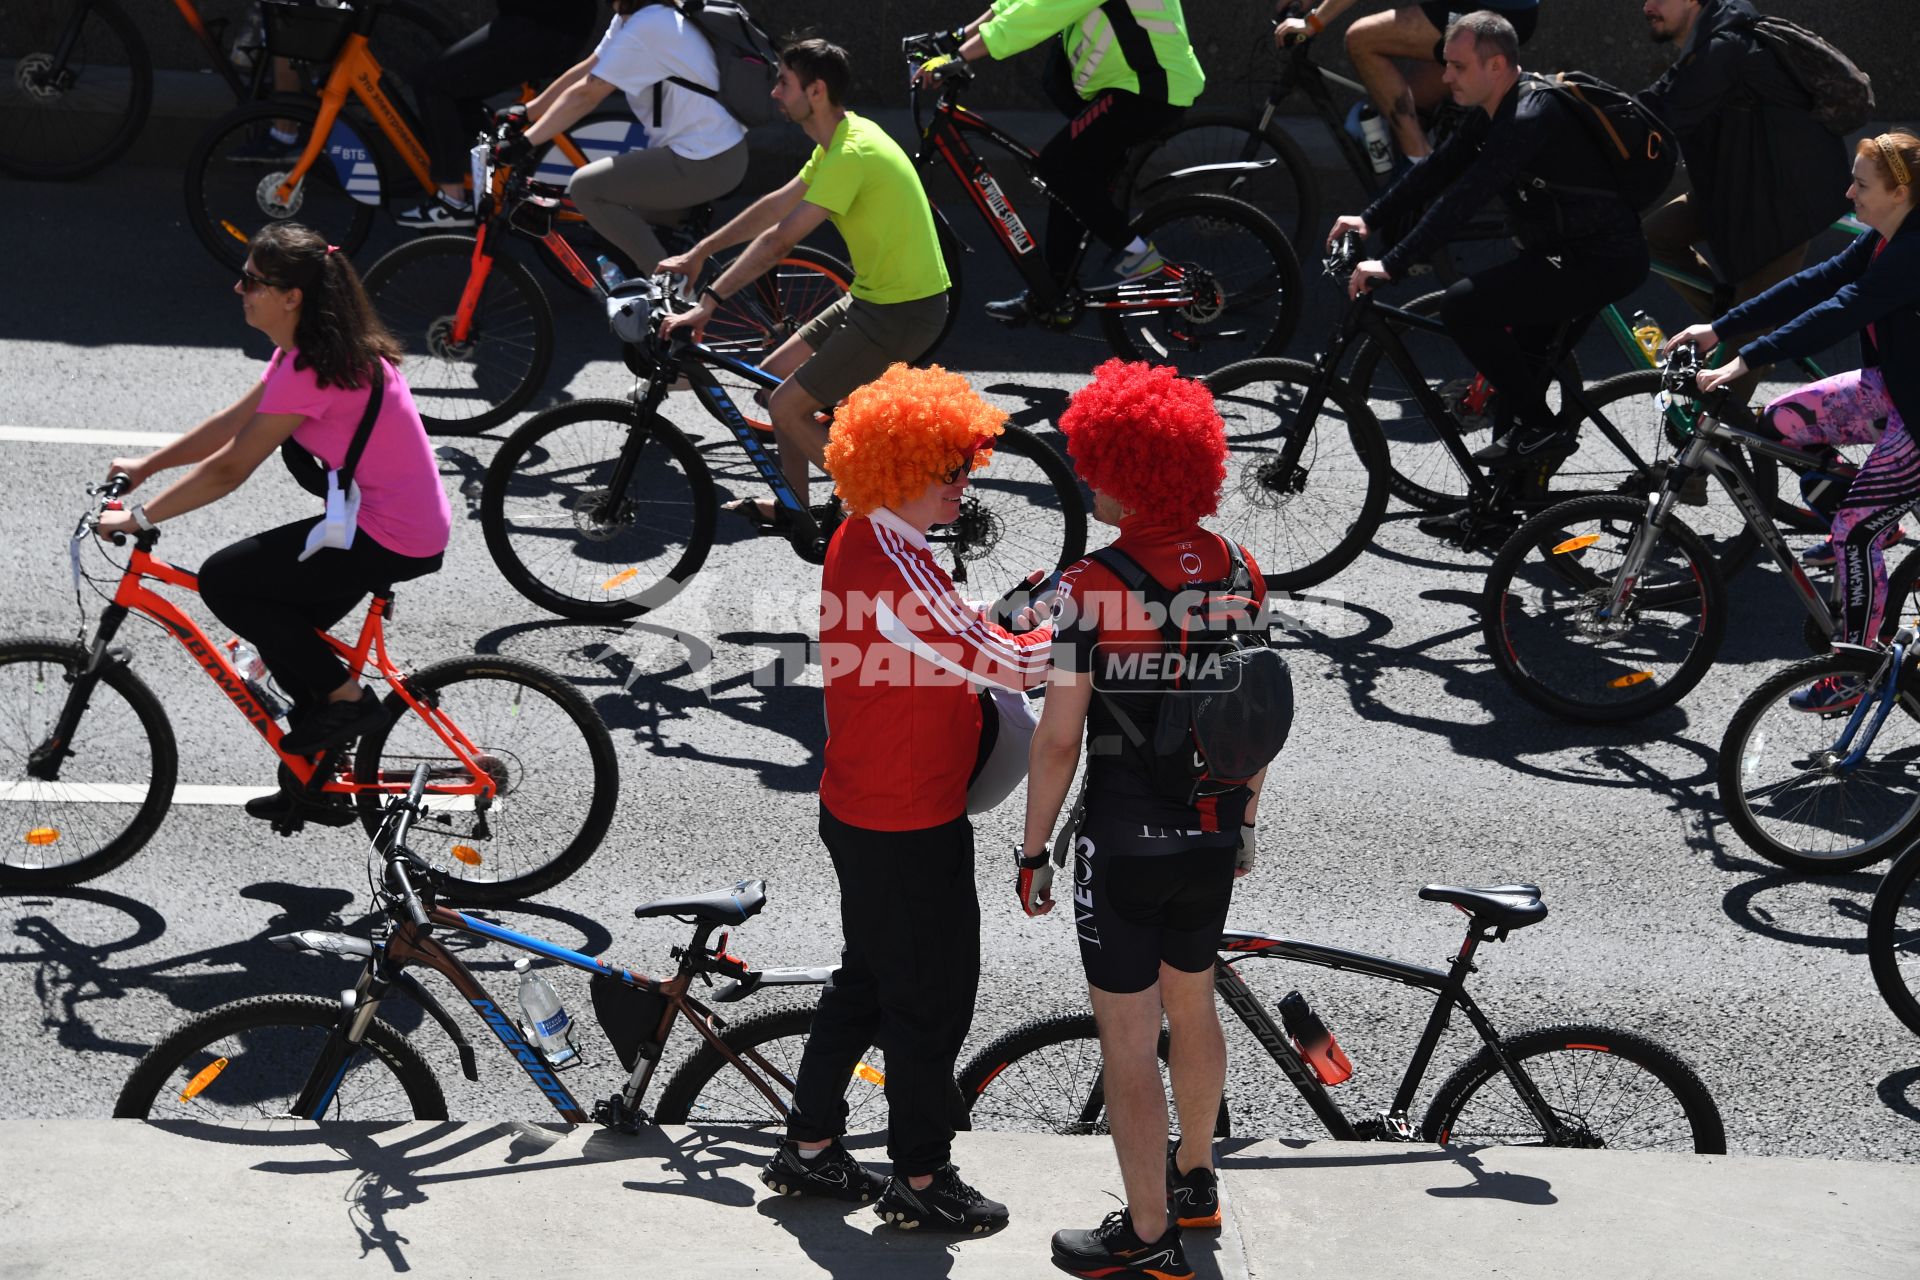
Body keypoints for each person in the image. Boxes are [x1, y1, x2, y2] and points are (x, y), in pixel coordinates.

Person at [759, 364, 1052, 1233]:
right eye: (952, 470)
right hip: (908, 819)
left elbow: (964, 633)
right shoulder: (898, 565)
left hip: (868, 803)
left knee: (870, 975)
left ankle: (810, 1146)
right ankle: (921, 1178)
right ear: (900, 470)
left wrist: (1019, 613)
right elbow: (1014, 664)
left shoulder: (869, 536)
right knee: (931, 998)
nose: (968, 484)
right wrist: (1078, 614)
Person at [1018, 360, 1267, 1280]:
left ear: (1130, 470)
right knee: (1192, 1000)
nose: (1087, 477)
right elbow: (1256, 717)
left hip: (1121, 841)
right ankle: (1196, 1184)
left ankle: (1148, 1236)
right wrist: (1241, 820)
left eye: (1097, 464)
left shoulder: (1093, 584)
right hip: (1210, 827)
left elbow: (1058, 739)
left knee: (1127, 1036)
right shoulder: (1242, 569)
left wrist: (1035, 848)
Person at [96, 223, 452, 821]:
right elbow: (231, 424)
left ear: (293, 297)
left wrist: (141, 516)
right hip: (386, 521)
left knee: (227, 581)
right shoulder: (309, 353)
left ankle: (346, 699)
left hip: (390, 534)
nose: (239, 288)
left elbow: (231, 467)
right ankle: (317, 782)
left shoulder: (314, 369)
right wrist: (144, 466)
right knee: (285, 632)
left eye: (253, 281)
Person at [1329, 11, 1648, 536]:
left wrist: (1392, 262)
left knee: (1462, 306)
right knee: (1517, 369)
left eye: (1456, 65)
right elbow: (1439, 167)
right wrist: (1371, 217)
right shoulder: (1492, 108)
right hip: (1566, 255)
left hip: (1600, 261)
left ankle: (1543, 430)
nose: (1445, 77)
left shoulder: (1529, 116)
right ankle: (1497, 512)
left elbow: (1464, 197)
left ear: (1496, 64)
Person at [1670, 133, 1920, 713]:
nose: (1848, 190)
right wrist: (1721, 328)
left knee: (1853, 533)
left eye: (1861, 183)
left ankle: (1854, 673)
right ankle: (1874, 532)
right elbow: (1815, 283)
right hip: (1896, 389)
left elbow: (1843, 309)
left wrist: (1747, 359)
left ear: (1899, 191)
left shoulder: (1913, 251)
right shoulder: (1887, 238)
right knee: (1781, 421)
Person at [657, 39, 950, 529]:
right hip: (873, 299)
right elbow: (776, 205)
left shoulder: (851, 152)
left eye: (783, 82)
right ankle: (796, 508)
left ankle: (889, 511)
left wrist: (707, 304)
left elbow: (779, 240)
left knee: (786, 405)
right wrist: (699, 253)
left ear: (815, 91)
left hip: (903, 311)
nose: (774, 92)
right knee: (771, 378)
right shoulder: (837, 141)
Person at [915, 1, 1205, 323]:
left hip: (1148, 89)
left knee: (1057, 167)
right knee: (1070, 183)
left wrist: (961, 56)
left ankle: (1139, 259)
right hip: (1133, 84)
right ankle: (1052, 295)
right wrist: (956, 37)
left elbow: (1041, 11)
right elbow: (1021, 2)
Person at [1637, 0, 1852, 406]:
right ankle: (1744, 321)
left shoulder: (1727, 48)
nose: (1647, 6)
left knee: (1733, 360)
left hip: (1784, 205)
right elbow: (1655, 105)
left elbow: (1659, 114)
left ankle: (1699, 468)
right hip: (1738, 190)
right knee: (1652, 239)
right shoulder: (1708, 43)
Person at [499, 1, 751, 273]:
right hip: (704, 153)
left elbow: (588, 93)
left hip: (705, 160)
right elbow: (588, 69)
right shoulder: (634, 18)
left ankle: (670, 292)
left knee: (587, 188)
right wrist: (527, 113)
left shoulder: (648, 26)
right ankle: (654, 295)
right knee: (621, 234)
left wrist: (527, 142)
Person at [396, 0, 599, 230]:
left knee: (433, 84)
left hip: (546, 26)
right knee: (457, 86)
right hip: (552, 22)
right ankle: (490, 177)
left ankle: (451, 201)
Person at [1275, 0, 1541, 160]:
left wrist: (1314, 23)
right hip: (1496, 9)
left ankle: (1419, 165)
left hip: (1487, 10)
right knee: (1408, 107)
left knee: (1361, 38)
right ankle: (1419, 211)